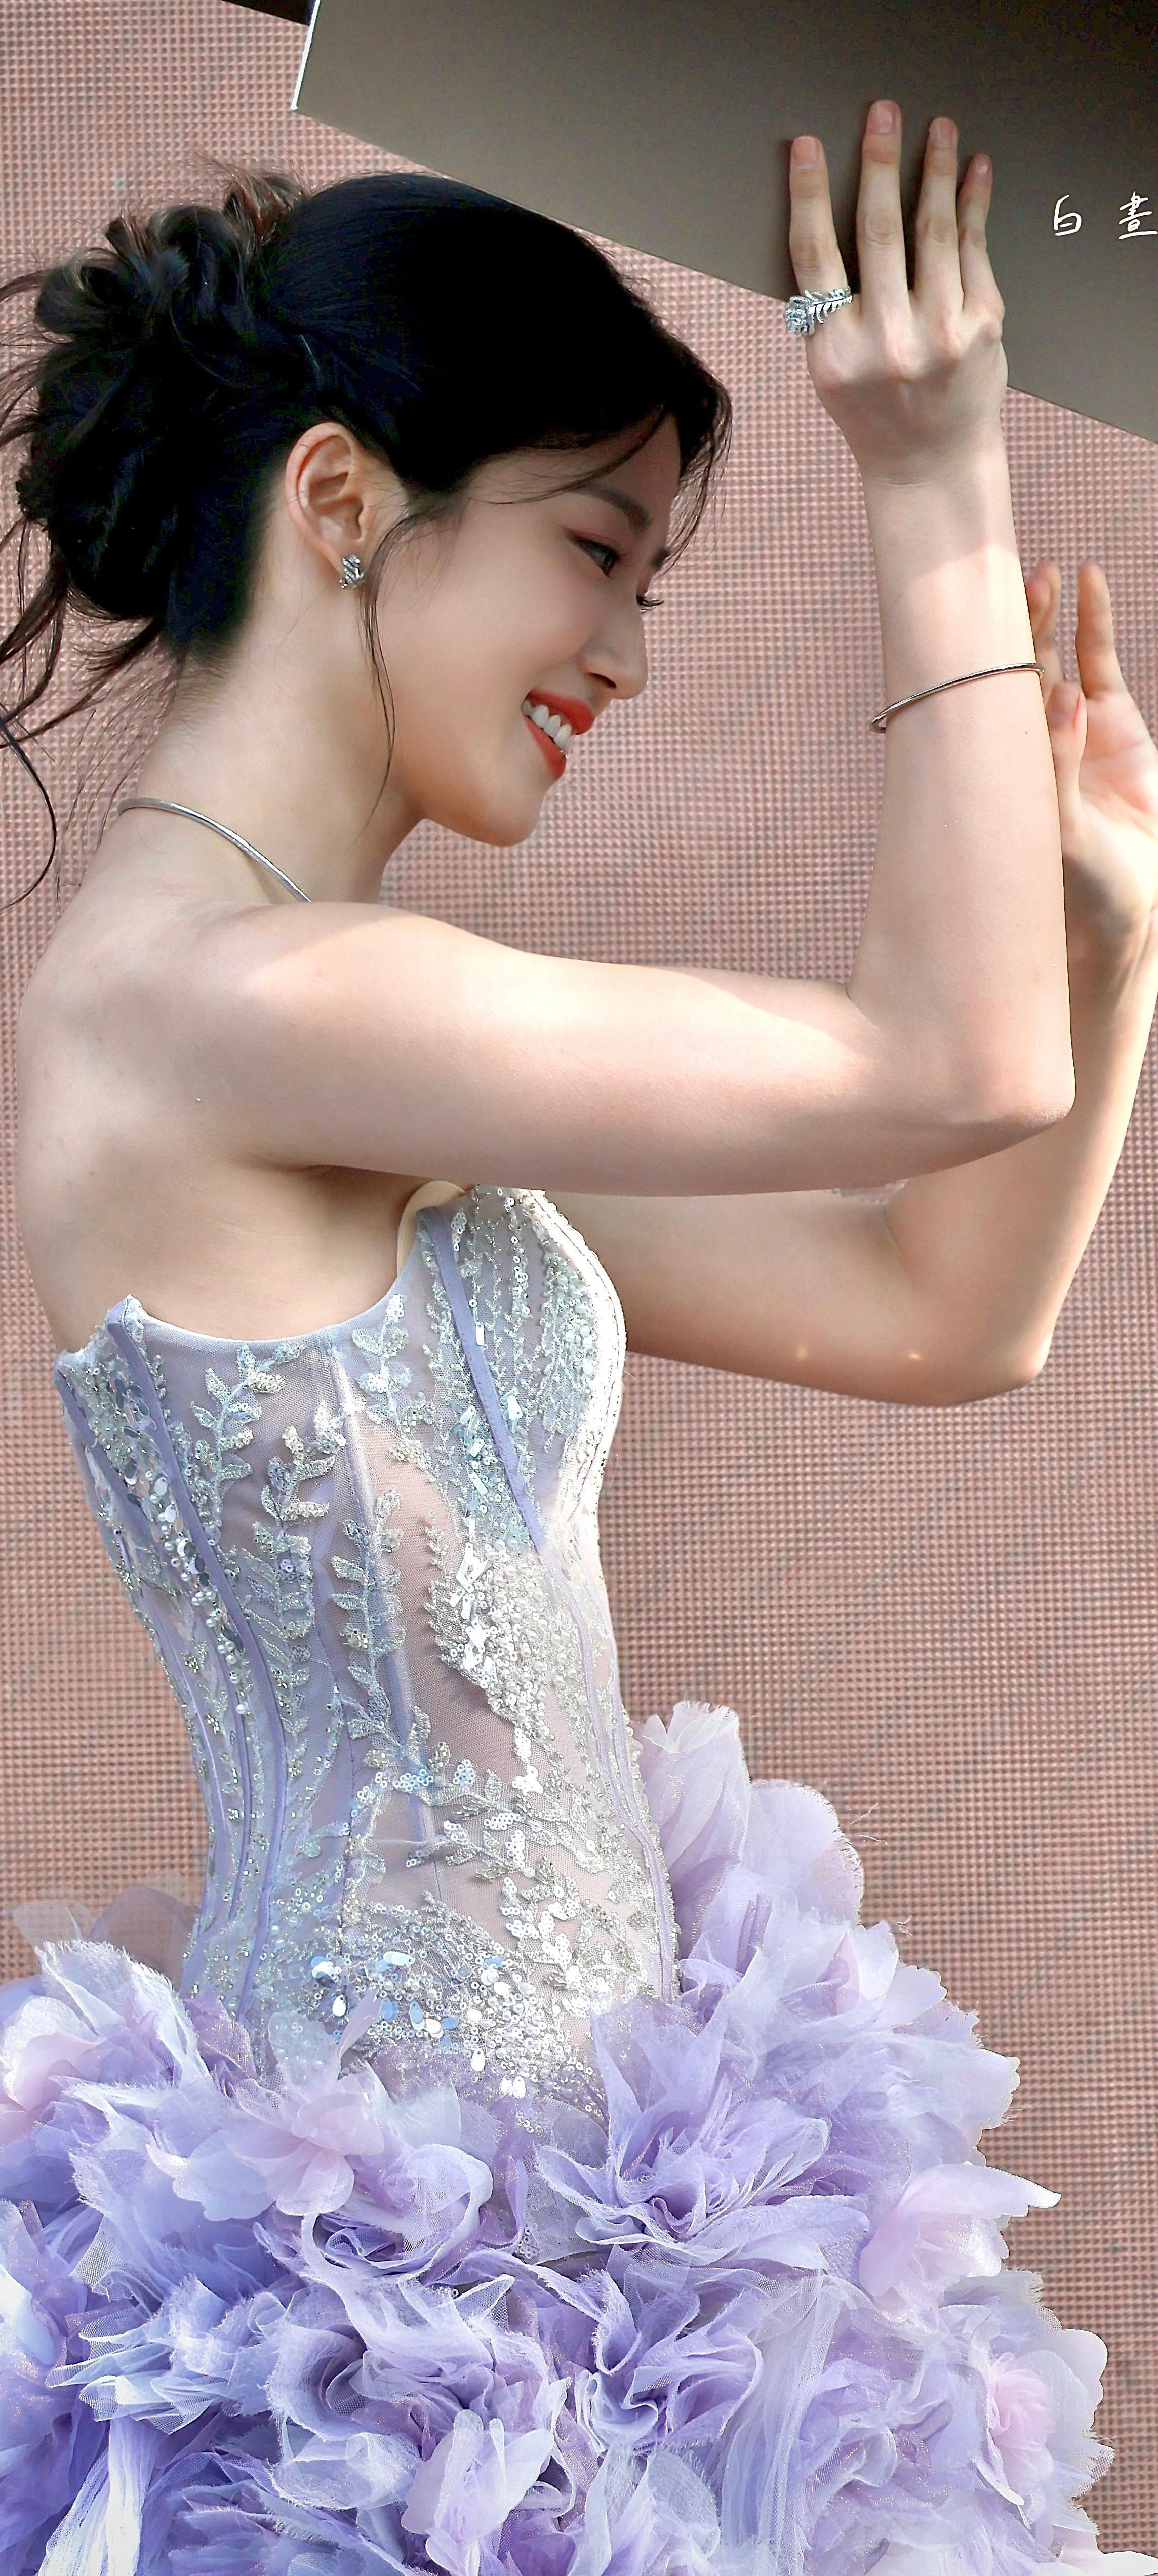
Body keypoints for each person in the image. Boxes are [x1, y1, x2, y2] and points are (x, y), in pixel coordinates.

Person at [1, 96, 1156, 2576]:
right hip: (374, 2341)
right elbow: (937, 1062)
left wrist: (1110, 937)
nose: (624, 652)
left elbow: (941, 1305)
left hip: (621, 2263)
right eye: (596, 549)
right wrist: (928, 464)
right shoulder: (216, 1008)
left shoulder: (357, 1046)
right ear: (342, 502)